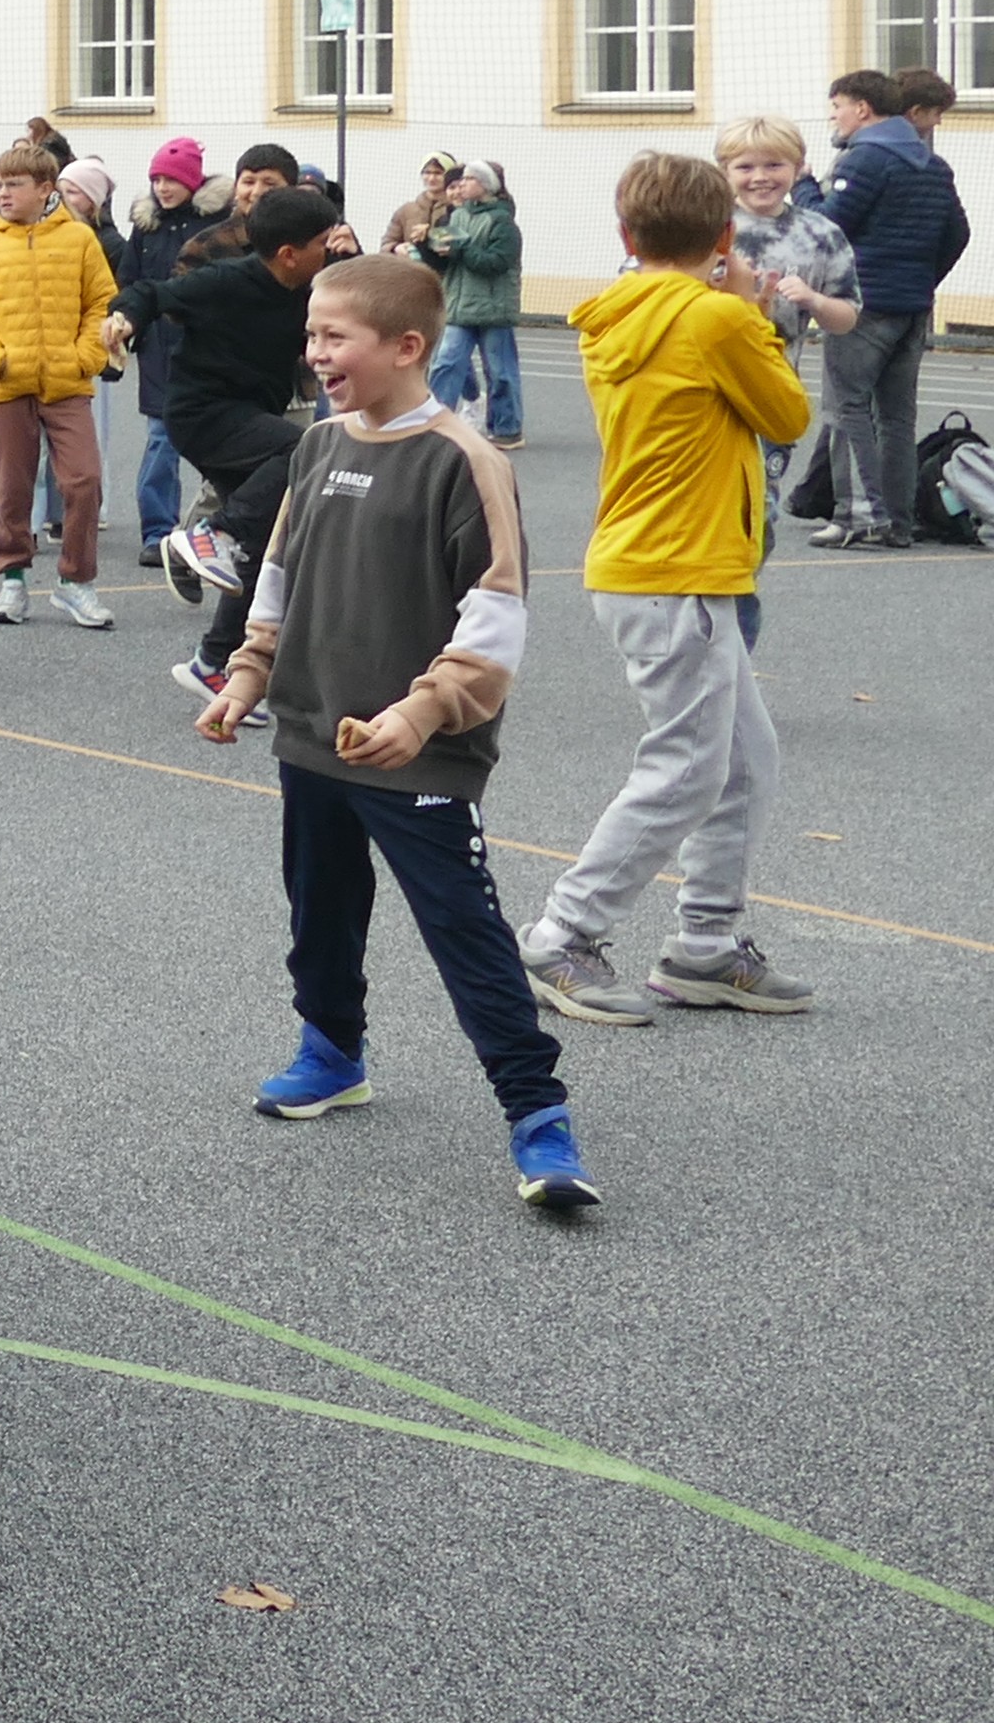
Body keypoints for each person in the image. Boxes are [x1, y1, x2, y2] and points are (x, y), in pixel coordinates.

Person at [197, 250, 586, 1208]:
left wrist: (424, 708)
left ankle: (538, 1115)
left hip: (420, 751)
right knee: (320, 907)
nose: (315, 353)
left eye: (336, 337)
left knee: (464, 929)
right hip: (312, 735)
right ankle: (333, 1051)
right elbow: (279, 574)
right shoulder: (320, 444)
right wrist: (249, 673)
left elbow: (495, 613)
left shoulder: (465, 459)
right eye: (311, 335)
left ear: (407, 346)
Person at [517, 150, 820, 1029]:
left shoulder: (618, 312)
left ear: (626, 233)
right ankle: (562, 934)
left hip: (650, 563)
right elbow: (788, 415)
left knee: (746, 761)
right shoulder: (714, 318)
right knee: (687, 770)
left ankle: (704, 945)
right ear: (724, 235)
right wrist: (751, 308)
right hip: (676, 569)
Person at [113, 186, 347, 696]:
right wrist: (123, 318)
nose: (329, 249)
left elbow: (361, 302)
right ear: (288, 254)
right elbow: (151, 293)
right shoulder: (227, 281)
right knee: (302, 448)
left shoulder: (310, 287)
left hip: (248, 414)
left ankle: (213, 662)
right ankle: (214, 531)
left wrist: (353, 256)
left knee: (264, 546)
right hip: (203, 414)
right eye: (323, 242)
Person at [0, 142, 117, 630]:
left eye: (14, 184)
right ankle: (12, 580)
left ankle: (75, 582)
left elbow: (101, 304)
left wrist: (85, 357)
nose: (2, 193)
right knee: (12, 488)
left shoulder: (80, 240)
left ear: (45, 189)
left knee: (84, 480)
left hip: (68, 384)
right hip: (9, 386)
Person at [812, 68, 965, 548]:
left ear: (862, 108)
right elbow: (958, 234)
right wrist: (922, 279)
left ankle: (858, 516)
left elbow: (826, 228)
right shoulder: (932, 164)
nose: (833, 117)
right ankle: (897, 521)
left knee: (847, 407)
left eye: (837, 107)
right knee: (897, 418)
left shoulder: (865, 159)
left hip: (864, 304)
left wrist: (802, 186)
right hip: (913, 307)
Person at [715, 118, 860, 533]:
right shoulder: (706, 228)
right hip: (709, 392)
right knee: (711, 509)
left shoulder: (820, 234)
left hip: (772, 392)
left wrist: (814, 300)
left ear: (797, 168)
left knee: (759, 509)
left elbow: (847, 317)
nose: (760, 177)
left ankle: (747, 573)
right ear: (725, 171)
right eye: (745, 167)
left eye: (774, 165)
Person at [119, 138, 217, 545]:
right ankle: (157, 532)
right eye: (156, 179)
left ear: (192, 182)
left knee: (215, 441)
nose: (162, 187)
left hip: (206, 347)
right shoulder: (146, 229)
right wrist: (127, 321)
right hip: (158, 349)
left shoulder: (217, 226)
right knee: (161, 439)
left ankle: (214, 529)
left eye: (171, 180)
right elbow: (129, 281)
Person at [412, 161, 525, 446]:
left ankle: (507, 428)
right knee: (446, 364)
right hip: (459, 307)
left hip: (493, 309)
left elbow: (496, 263)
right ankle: (435, 423)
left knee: (500, 372)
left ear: (486, 185)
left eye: (469, 179)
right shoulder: (456, 217)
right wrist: (426, 245)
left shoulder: (503, 223)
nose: (461, 184)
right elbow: (442, 263)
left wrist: (462, 247)